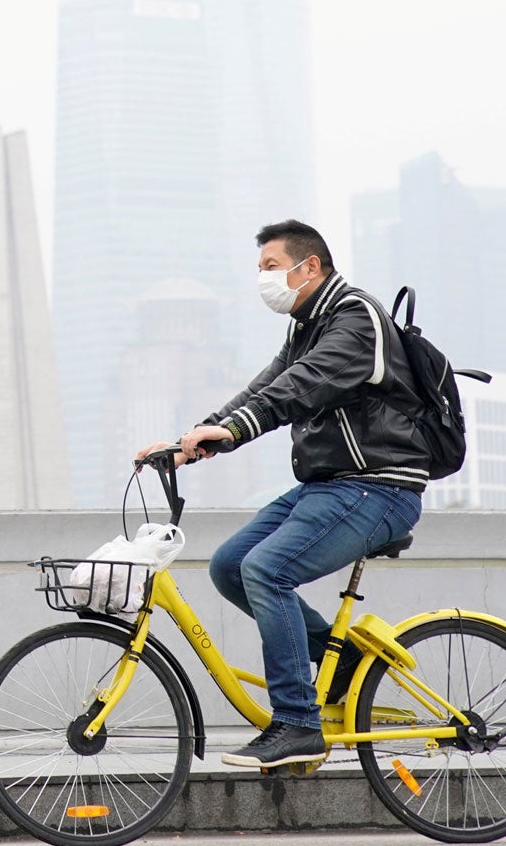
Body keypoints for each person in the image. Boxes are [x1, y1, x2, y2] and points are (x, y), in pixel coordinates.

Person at [138, 220, 429, 770]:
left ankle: (297, 723)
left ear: (310, 266)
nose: (264, 280)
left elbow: (302, 387)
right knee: (229, 565)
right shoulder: (307, 326)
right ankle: (335, 663)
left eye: (271, 268)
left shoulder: (354, 319)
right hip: (328, 487)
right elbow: (264, 387)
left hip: (379, 487)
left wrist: (235, 429)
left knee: (267, 569)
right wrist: (192, 442)